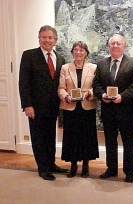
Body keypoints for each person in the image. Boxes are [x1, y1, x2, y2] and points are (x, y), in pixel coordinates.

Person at [19, 25, 67, 180]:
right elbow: (23, 83)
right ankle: (43, 168)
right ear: (39, 38)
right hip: (35, 107)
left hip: (53, 107)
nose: (47, 40)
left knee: (50, 136)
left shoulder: (60, 59)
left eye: (50, 37)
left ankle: (51, 163)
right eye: (44, 37)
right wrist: (27, 105)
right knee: (39, 137)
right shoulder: (29, 55)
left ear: (55, 40)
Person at [92, 34, 133, 183]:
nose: (115, 46)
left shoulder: (132, 63)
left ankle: (130, 171)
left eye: (118, 43)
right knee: (110, 142)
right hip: (108, 111)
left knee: (128, 142)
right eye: (112, 43)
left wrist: (122, 96)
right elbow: (96, 85)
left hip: (126, 111)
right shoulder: (101, 64)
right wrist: (103, 95)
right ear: (108, 46)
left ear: (124, 46)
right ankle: (111, 169)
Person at [58, 41, 99, 178]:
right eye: (76, 50)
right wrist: (65, 97)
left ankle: (86, 165)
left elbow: (97, 87)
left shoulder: (93, 68)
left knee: (87, 137)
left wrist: (90, 93)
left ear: (86, 53)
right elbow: (61, 88)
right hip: (71, 108)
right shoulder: (65, 68)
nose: (78, 52)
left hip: (87, 106)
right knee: (72, 137)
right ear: (72, 52)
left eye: (82, 50)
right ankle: (73, 165)